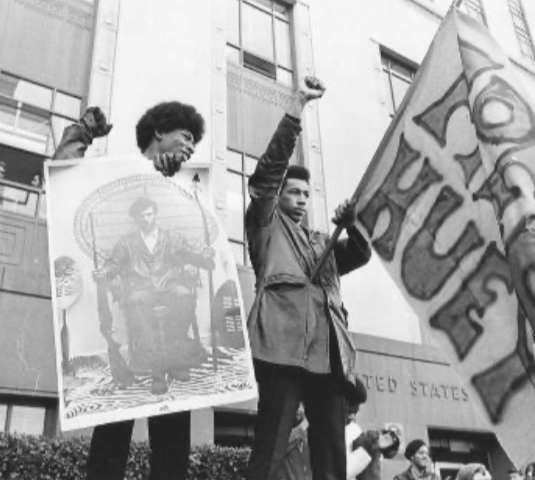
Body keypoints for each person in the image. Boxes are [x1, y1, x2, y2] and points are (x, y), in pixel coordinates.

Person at [53, 102, 205, 480]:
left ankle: (174, 358)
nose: (190, 147)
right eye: (185, 137)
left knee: (172, 452)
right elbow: (62, 180)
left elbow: (193, 247)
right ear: (159, 133)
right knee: (110, 443)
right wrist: (83, 132)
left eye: (194, 143)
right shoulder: (113, 181)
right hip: (129, 316)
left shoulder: (185, 191)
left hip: (168, 327)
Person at [245, 76, 372, 480]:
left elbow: (360, 254)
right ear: (279, 195)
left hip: (329, 356)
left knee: (332, 453)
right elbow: (265, 177)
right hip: (281, 350)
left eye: (306, 194)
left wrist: (353, 225)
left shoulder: (322, 241)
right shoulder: (266, 227)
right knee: (271, 444)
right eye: (293, 192)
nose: (301, 199)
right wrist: (297, 109)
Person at [97, 195, 214, 394]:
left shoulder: (172, 238)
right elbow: (113, 263)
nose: (146, 219)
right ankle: (158, 373)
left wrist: (205, 257)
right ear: (136, 219)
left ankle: (176, 363)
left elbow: (190, 254)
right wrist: (104, 272)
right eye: (142, 216)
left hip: (169, 284)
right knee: (135, 304)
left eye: (149, 214)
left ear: (155, 214)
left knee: (185, 296)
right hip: (143, 288)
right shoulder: (127, 243)